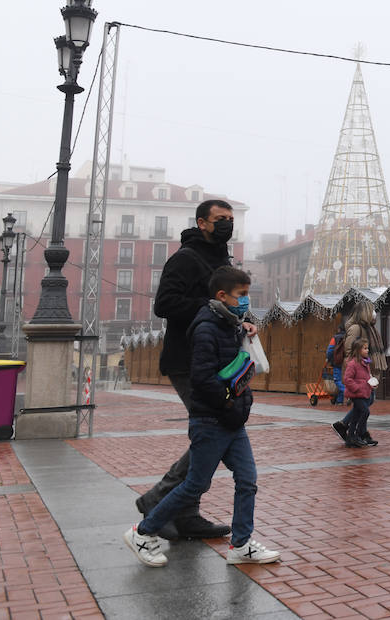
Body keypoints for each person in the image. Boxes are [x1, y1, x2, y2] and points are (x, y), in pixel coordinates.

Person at [124, 266, 281, 568]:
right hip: (212, 420)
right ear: (222, 295)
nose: (247, 301)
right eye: (243, 295)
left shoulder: (228, 323)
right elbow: (202, 378)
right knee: (195, 486)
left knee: (247, 479)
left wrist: (245, 328)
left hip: (232, 419)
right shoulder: (207, 327)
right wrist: (227, 402)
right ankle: (143, 533)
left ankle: (241, 544)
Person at [135, 199, 254, 541]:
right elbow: (165, 304)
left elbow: (230, 304)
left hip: (222, 359)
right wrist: (212, 305)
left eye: (231, 219)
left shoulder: (222, 258)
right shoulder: (185, 259)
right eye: (220, 219)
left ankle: (183, 512)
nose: (227, 224)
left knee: (212, 433)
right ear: (202, 222)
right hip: (188, 360)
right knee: (213, 431)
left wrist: (245, 321)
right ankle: (161, 500)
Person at [334, 339, 376, 448]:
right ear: (358, 350)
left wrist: (371, 383)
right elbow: (347, 379)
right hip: (356, 394)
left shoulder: (365, 362)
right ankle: (357, 435)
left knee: (356, 415)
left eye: (367, 348)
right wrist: (357, 388)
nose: (367, 350)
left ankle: (351, 438)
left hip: (364, 393)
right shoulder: (353, 363)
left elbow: (365, 377)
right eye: (365, 348)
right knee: (365, 412)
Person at [325, 328, 346, 405]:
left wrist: (328, 358)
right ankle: (339, 401)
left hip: (337, 361)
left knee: (337, 380)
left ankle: (347, 393)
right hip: (347, 362)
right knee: (343, 381)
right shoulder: (348, 337)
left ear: (338, 329)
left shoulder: (335, 338)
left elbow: (330, 350)